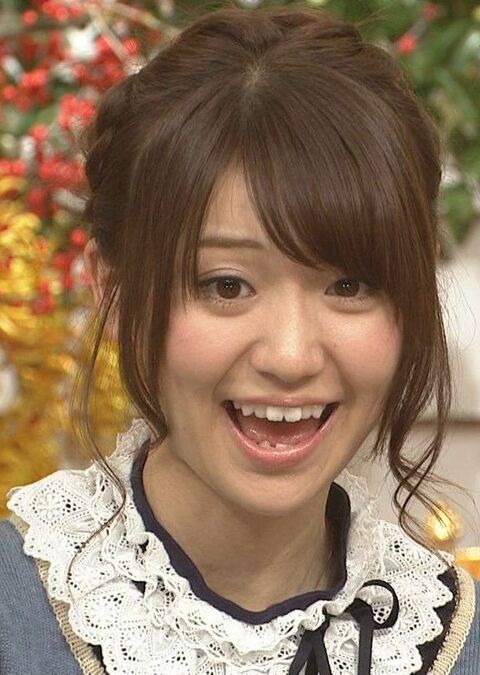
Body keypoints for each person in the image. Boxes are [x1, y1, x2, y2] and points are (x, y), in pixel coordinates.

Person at [0, 5, 478, 674]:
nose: (290, 356)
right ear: (114, 290)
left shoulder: (452, 638)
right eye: (226, 285)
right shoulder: (17, 613)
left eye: (349, 285)